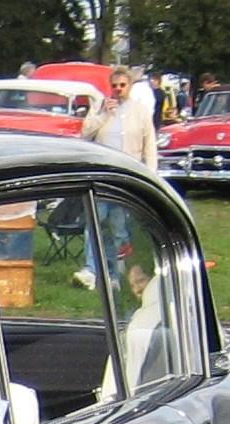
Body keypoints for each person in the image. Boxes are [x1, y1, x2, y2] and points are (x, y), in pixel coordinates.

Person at [76, 69, 155, 290]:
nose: (118, 89)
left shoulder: (140, 111)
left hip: (126, 176)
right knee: (95, 223)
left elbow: (149, 145)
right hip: (102, 176)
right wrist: (104, 114)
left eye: (122, 85)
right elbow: (85, 133)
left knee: (120, 228)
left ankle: (116, 273)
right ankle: (91, 270)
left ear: (129, 86)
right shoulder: (101, 107)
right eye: (115, 85)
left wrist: (150, 174)